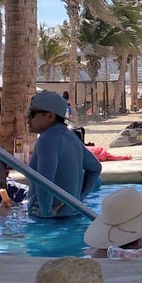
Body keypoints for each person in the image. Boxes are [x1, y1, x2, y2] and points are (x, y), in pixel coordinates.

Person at [27, 90, 101, 219]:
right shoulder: (71, 137)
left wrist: (46, 212)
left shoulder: (47, 139)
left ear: (50, 116)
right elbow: (95, 168)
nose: (28, 118)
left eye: (32, 113)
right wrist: (77, 200)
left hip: (49, 223)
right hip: (72, 215)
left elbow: (44, 181)